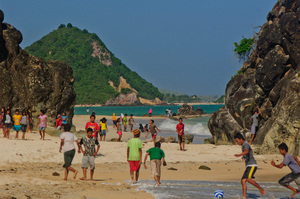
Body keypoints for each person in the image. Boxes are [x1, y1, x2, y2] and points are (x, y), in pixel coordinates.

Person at [234, 133, 265, 199]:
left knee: (248, 179)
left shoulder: (246, 144)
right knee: (243, 180)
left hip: (252, 165)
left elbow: (247, 151)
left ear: (241, 139)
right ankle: (244, 196)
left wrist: (240, 154)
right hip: (248, 166)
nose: (237, 143)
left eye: (237, 141)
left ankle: (261, 189)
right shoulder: (243, 145)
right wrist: (243, 157)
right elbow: (246, 153)